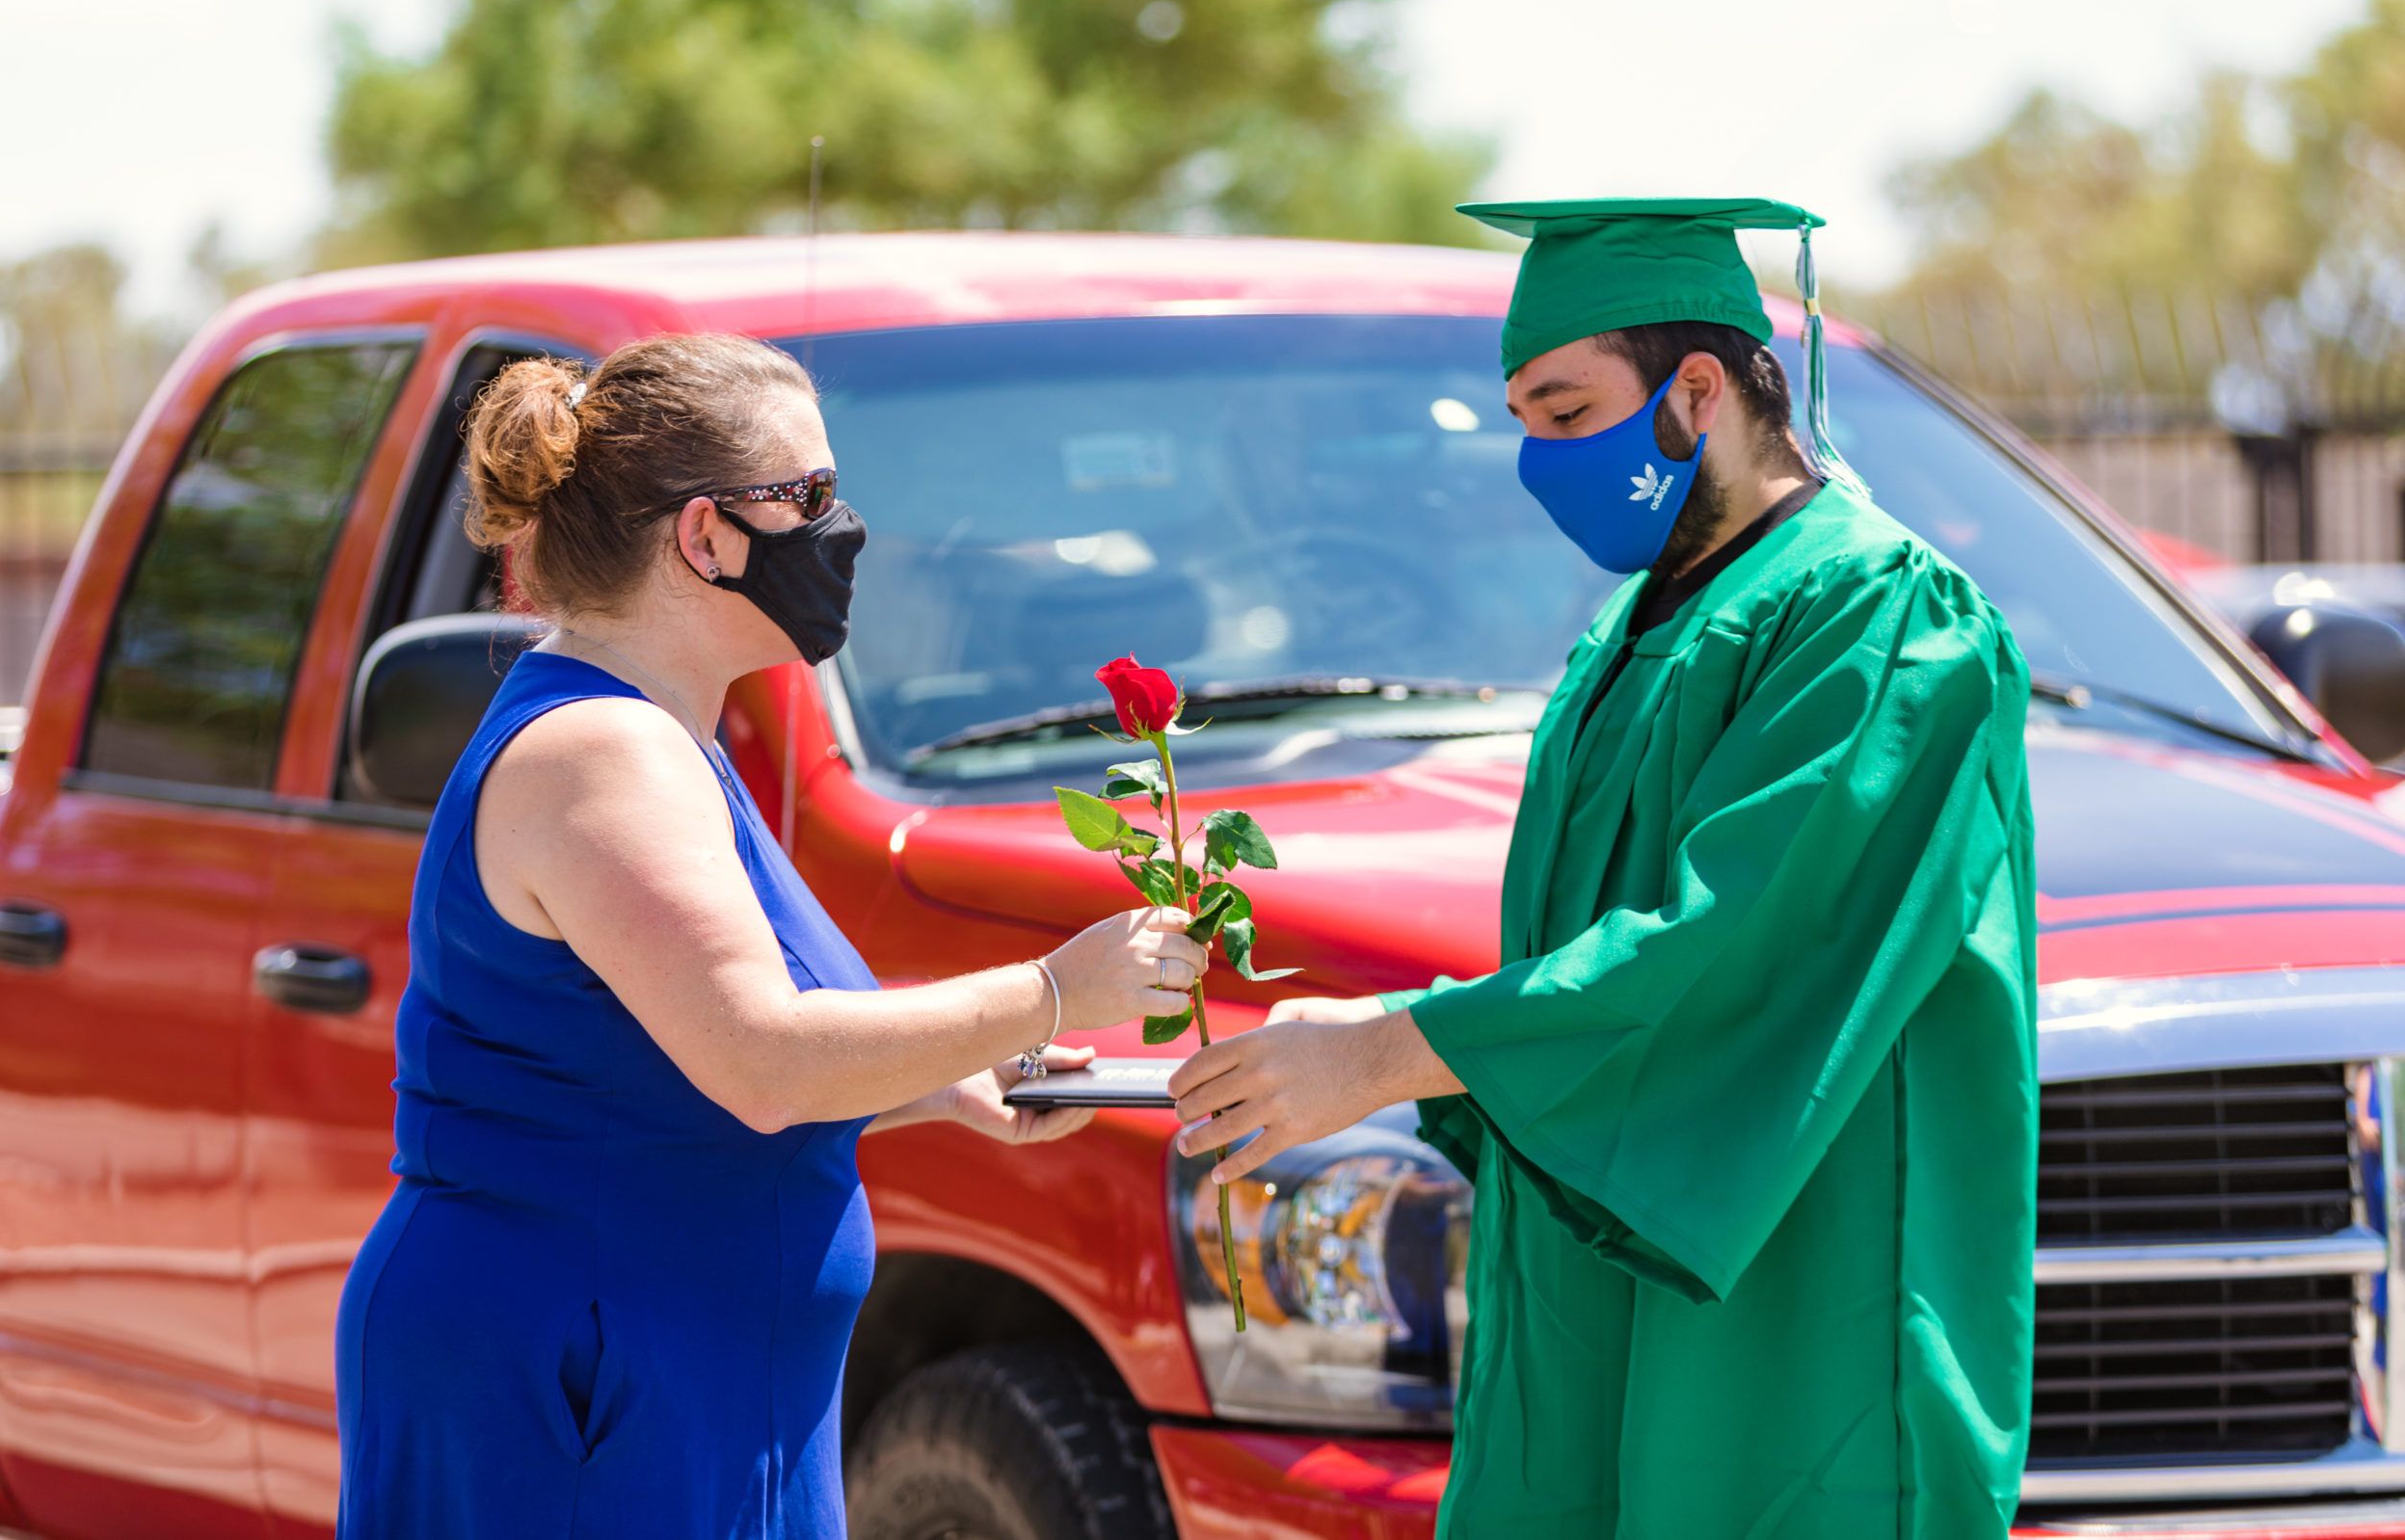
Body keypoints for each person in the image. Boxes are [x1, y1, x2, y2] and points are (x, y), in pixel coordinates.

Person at [1168, 199, 2038, 1538]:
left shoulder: (1879, 612)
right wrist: (1398, 1051)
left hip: (1804, 1277)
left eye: (1567, 412)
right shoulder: (1632, 632)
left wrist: (1398, 1047)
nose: (1538, 458)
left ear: (1699, 389)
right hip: (1597, 1275)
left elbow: (1739, 936)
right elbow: (1578, 947)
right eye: (1522, 415)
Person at [334, 332, 1205, 1539]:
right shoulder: (604, 753)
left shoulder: (656, 733)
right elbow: (760, 1059)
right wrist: (1055, 989)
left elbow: (651, 1081)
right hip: (581, 1382)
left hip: (669, 1365)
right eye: (812, 497)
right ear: (704, 536)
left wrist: (947, 1083)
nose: (843, 530)